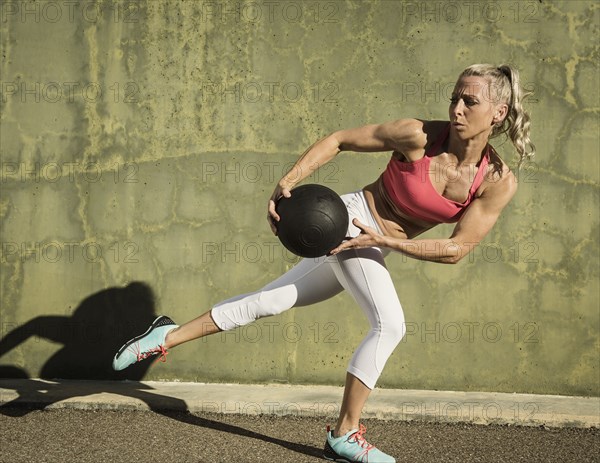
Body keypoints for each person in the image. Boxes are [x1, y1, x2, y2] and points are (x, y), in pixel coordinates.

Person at [112, 63, 535, 463]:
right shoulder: (418, 136)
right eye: (454, 98)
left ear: (498, 113)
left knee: (271, 302)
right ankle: (345, 434)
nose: (457, 108)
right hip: (349, 222)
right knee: (390, 325)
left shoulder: (497, 182)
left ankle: (165, 335)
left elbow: (457, 249)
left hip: (373, 241)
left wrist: (383, 240)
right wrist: (289, 180)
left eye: (470, 102)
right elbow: (339, 140)